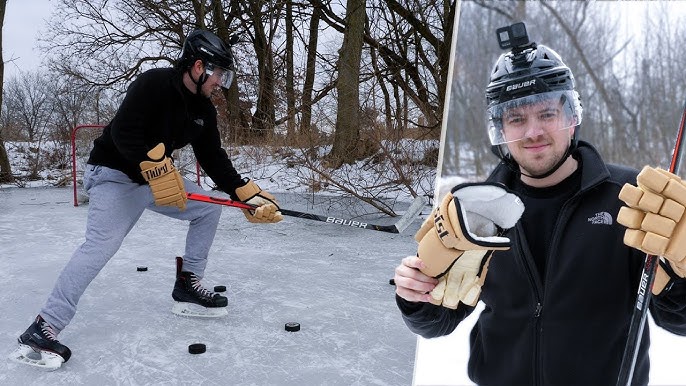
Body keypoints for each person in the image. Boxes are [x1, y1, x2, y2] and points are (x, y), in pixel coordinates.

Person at [394, 23, 686, 385]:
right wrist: (415, 296)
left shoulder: (629, 198)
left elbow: (678, 320)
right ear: (500, 129)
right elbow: (438, 322)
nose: (533, 132)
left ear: (571, 116)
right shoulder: (475, 211)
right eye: (516, 118)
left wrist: (681, 274)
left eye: (546, 113)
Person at [10, 29, 283, 370]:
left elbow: (213, 158)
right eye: (219, 74)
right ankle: (43, 326)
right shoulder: (153, 84)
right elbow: (124, 133)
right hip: (114, 176)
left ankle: (187, 285)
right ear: (199, 67)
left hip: (157, 181)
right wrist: (151, 165)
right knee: (101, 246)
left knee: (209, 207)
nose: (221, 83)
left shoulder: (203, 111)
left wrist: (245, 193)